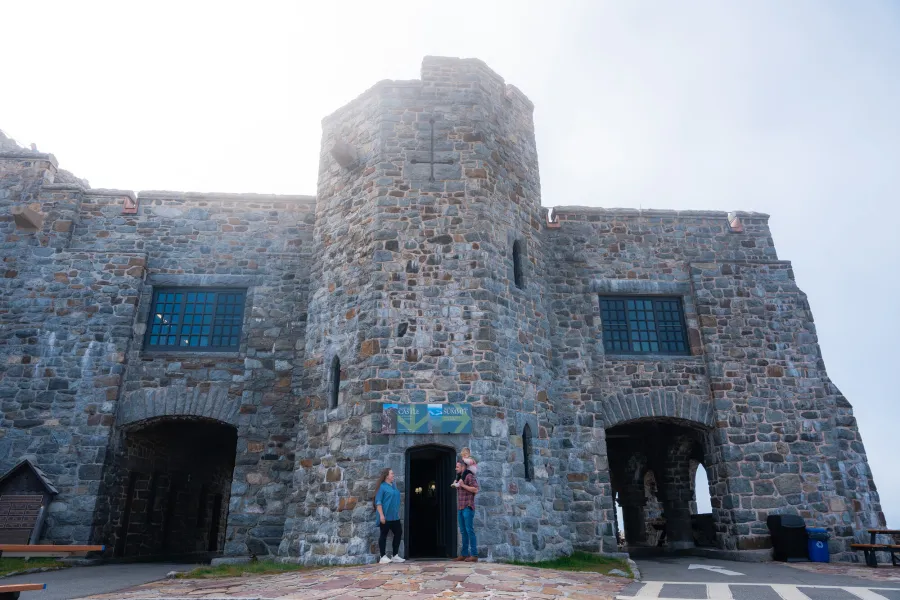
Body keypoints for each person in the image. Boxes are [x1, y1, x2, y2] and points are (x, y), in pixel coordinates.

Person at [373, 467, 405, 564]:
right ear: (387, 476)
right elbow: (378, 502)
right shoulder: (382, 487)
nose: (393, 475)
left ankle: (395, 556)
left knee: (398, 533)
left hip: (395, 516)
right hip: (385, 516)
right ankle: (382, 557)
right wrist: (381, 515)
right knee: (383, 535)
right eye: (392, 474)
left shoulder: (393, 486)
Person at [453, 458, 479, 562]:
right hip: (460, 507)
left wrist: (463, 485)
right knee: (463, 531)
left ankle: (474, 555)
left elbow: (476, 489)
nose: (456, 469)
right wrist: (456, 485)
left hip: (468, 507)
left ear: (463, 467)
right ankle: (464, 554)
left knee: (469, 531)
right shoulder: (459, 477)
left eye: (457, 467)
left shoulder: (469, 476)